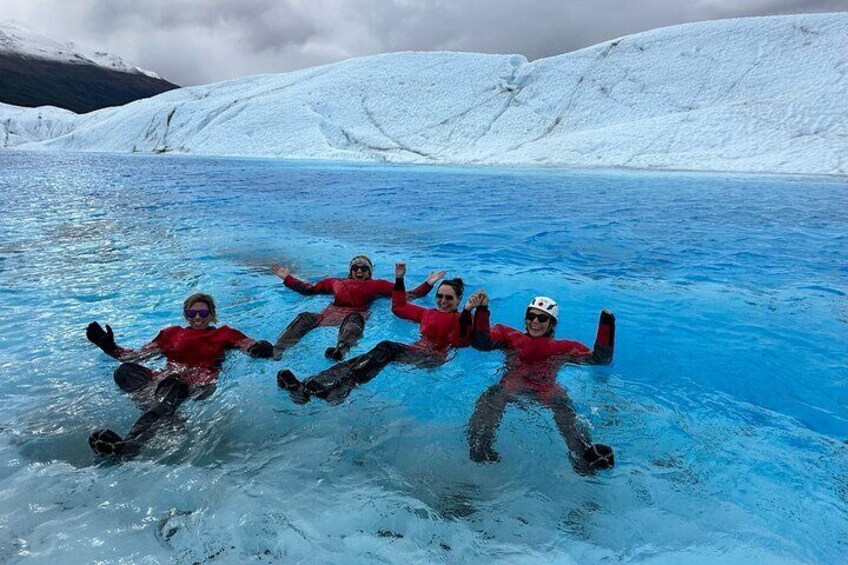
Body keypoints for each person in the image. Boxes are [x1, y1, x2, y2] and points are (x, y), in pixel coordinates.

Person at [86, 292, 274, 458]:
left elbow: (248, 345)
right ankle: (167, 416)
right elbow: (137, 356)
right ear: (186, 314)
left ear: (212, 314)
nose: (198, 317)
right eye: (192, 313)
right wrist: (109, 347)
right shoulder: (171, 333)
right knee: (124, 371)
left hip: (198, 384)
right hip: (164, 380)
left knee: (173, 386)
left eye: (203, 313)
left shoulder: (225, 333)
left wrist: (260, 349)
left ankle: (133, 443)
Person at [277, 261, 470, 405]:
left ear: (459, 300)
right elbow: (400, 306)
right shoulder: (426, 313)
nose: (443, 301)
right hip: (414, 350)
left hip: (433, 358)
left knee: (385, 347)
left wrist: (473, 311)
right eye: (440, 296)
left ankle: (340, 389)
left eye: (449, 298)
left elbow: (476, 337)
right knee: (363, 358)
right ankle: (308, 385)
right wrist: (400, 279)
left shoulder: (462, 318)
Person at [465, 292, 616, 474]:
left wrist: (606, 325)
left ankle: (586, 457)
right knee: (491, 398)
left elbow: (600, 359)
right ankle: (480, 447)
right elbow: (481, 342)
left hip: (546, 388)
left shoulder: (563, 348)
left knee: (565, 411)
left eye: (542, 318)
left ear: (552, 323)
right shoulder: (509, 336)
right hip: (513, 383)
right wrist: (482, 310)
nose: (535, 322)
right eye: (531, 316)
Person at [271, 254, 445, 361]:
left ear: (370, 272)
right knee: (305, 316)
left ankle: (341, 350)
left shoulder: (378, 285)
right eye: (356, 268)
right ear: (350, 270)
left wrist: (429, 283)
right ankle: (278, 348)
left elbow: (408, 295)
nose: (359, 271)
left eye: (364, 268)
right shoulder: (335, 282)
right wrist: (287, 278)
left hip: (354, 317)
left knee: (354, 319)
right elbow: (309, 290)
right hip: (327, 315)